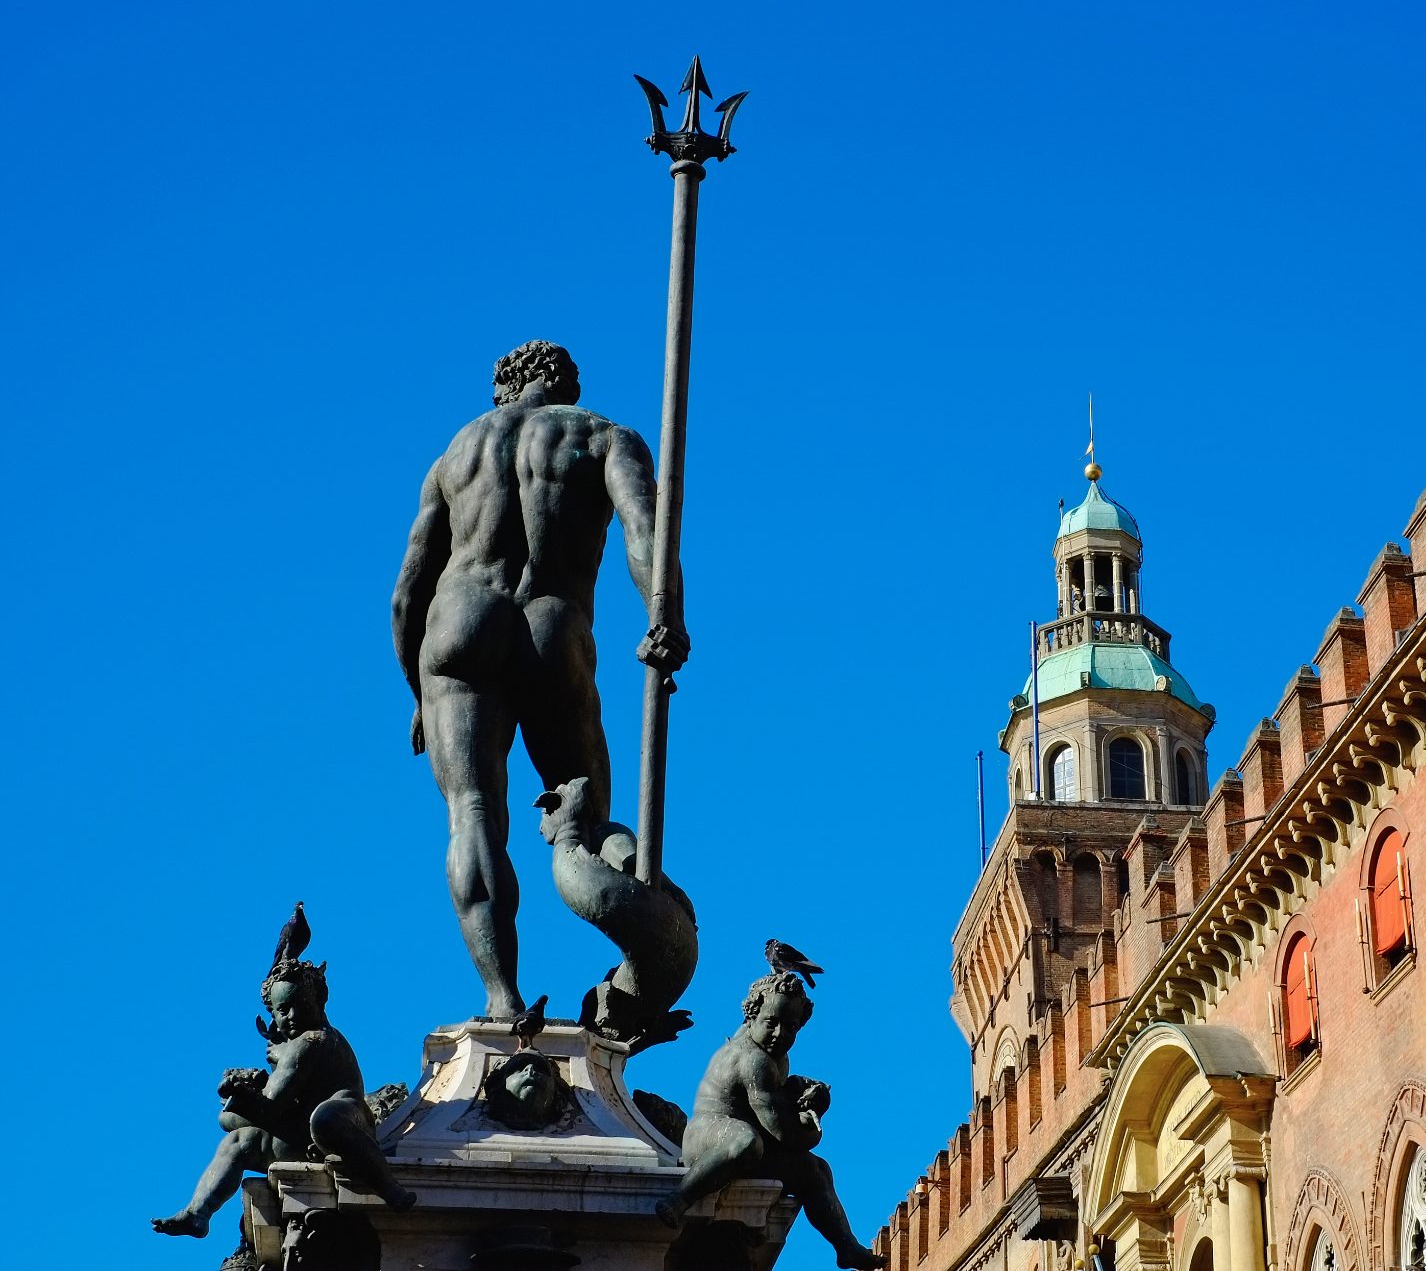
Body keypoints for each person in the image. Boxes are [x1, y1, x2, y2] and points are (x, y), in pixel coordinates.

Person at [391, 341, 686, 1020]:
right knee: (593, 813)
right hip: (554, 626)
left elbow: (408, 589)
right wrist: (666, 616)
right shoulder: (604, 436)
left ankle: (503, 999)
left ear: (503, 389)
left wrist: (416, 687)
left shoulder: (455, 456)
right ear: (565, 385)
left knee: (472, 816)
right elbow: (648, 535)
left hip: (458, 623)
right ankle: (643, 902)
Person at [152, 958, 415, 1238]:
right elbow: (267, 1106)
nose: (289, 1015)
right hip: (307, 1137)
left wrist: (240, 1095)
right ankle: (197, 1213)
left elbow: (270, 1107)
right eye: (281, 1010)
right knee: (239, 1141)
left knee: (324, 1118)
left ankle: (388, 1187)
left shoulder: (314, 1041)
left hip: (346, 1126)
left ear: (319, 1000)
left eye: (296, 1004)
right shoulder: (292, 1047)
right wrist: (238, 1099)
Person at [659, 974, 885, 1270]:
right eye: (771, 1023)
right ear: (752, 1016)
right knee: (745, 1142)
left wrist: (800, 1096)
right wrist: (814, 1121)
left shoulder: (775, 1055)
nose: (780, 1033)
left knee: (816, 1170)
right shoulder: (754, 1060)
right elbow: (783, 1133)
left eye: (790, 1026)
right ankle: (680, 1198)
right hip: (708, 1136)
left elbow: (775, 1108)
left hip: (748, 1139)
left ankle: (846, 1246)